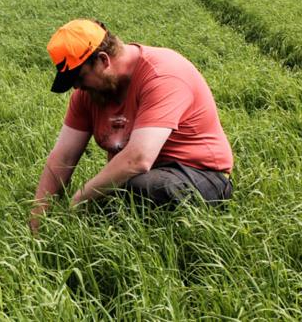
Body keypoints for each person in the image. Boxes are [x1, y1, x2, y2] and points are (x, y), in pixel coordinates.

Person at [29, 19, 234, 233]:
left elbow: (138, 159)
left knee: (137, 190)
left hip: (201, 175)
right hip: (141, 179)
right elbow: (63, 157)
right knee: (113, 197)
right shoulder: (89, 94)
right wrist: (37, 220)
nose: (77, 87)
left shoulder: (162, 75)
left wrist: (80, 198)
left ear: (103, 60)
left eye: (79, 78)